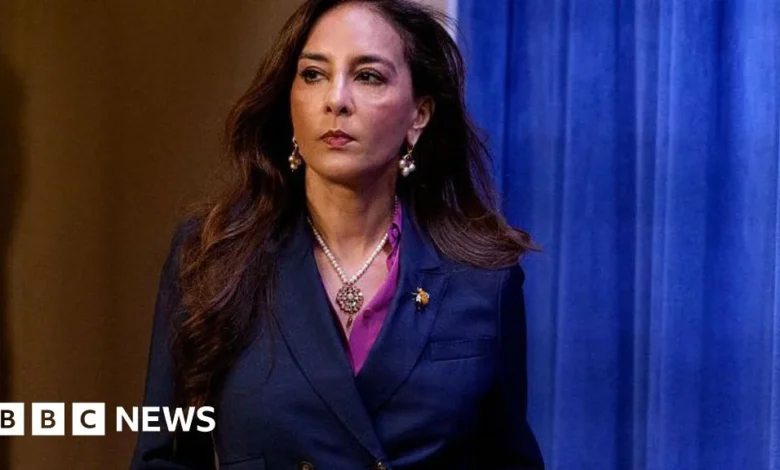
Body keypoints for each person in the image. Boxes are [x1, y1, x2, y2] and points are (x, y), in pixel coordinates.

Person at [130, 0, 544, 468]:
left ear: (419, 114)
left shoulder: (482, 278)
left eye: (368, 76)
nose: (336, 100)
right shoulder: (212, 257)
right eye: (313, 75)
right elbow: (165, 458)